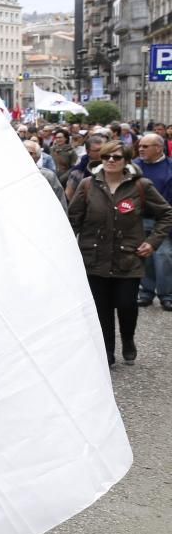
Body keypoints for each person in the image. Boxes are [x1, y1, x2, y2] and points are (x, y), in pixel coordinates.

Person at [68, 141, 172, 366]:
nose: (111, 161)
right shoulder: (87, 185)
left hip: (128, 258)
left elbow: (166, 214)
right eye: (106, 157)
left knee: (126, 305)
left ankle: (128, 339)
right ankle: (106, 352)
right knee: (101, 309)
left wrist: (152, 242)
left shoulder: (141, 185)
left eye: (116, 157)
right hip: (94, 258)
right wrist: (65, 247)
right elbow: (72, 219)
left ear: (126, 160)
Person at [134, 133, 172, 311]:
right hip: (139, 219)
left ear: (159, 148)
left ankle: (167, 295)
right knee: (144, 257)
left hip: (162, 221)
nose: (141, 149)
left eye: (145, 146)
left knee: (164, 257)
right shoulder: (134, 166)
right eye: (140, 146)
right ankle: (146, 293)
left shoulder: (170, 167)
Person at [24, 140, 67, 210]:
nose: (26, 154)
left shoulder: (48, 176)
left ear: (37, 157)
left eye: (30, 153)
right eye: (23, 151)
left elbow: (60, 202)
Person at [66, 132, 107, 202]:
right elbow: (69, 194)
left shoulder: (110, 166)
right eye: (97, 150)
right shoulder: (78, 172)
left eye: (103, 149)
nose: (101, 152)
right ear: (88, 152)